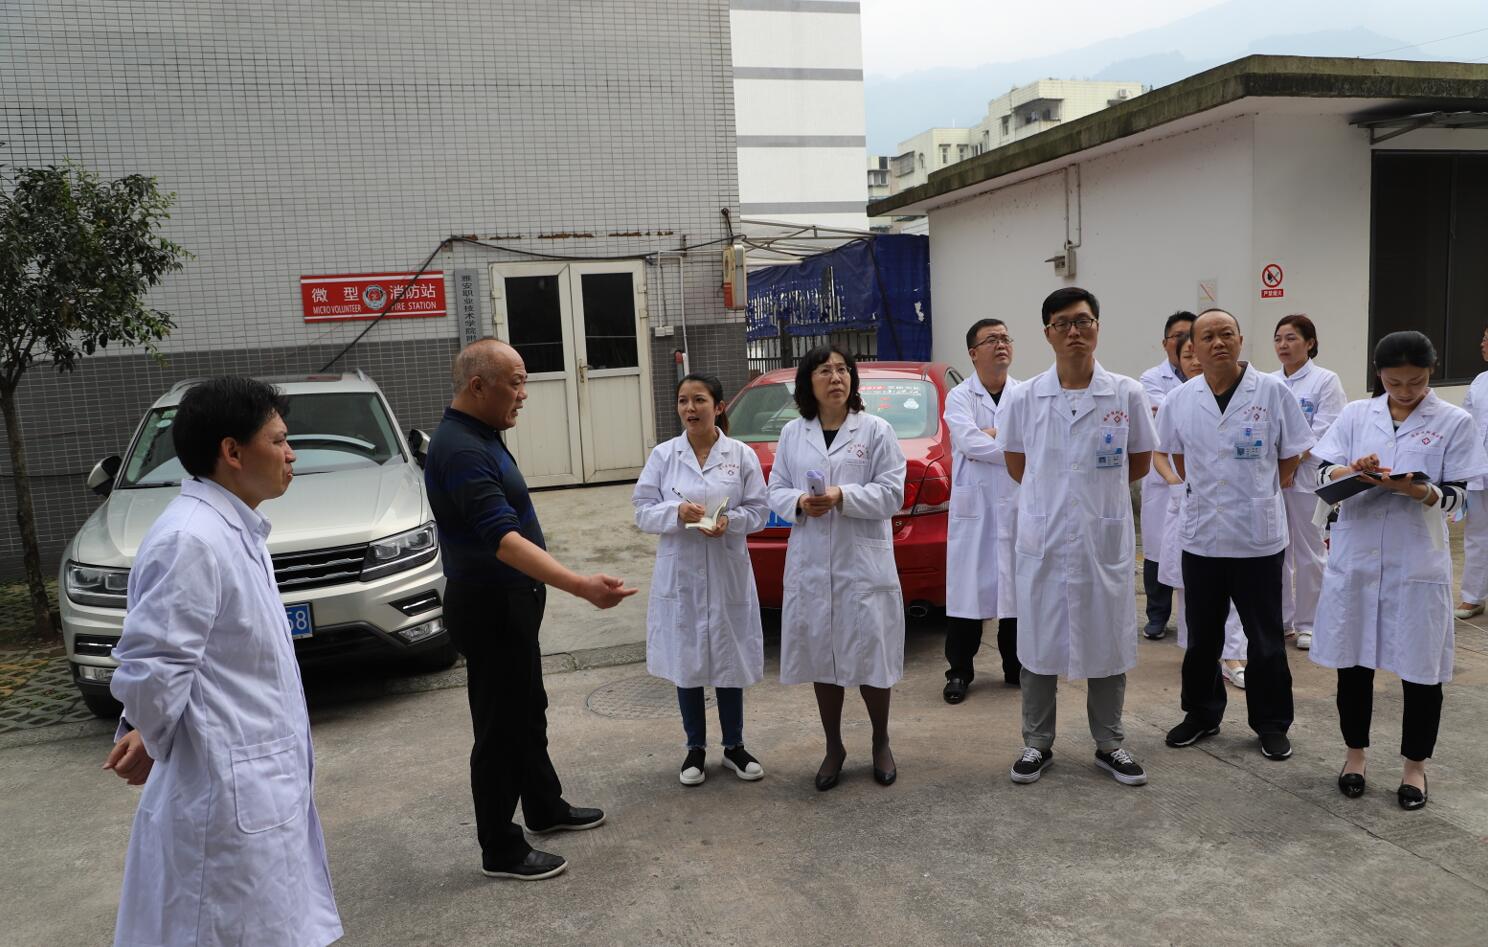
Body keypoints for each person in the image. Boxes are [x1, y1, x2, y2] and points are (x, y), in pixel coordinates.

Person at [104, 376, 343, 946]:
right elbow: (151, 669)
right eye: (279, 440)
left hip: (254, 782)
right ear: (232, 452)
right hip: (226, 794)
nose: (292, 454)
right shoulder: (190, 540)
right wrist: (150, 731)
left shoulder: (235, 528)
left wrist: (146, 728)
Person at [425, 338, 637, 881]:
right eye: (516, 383)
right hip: (490, 606)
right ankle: (500, 848)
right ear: (479, 386)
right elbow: (503, 540)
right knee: (499, 727)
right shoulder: (462, 449)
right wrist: (580, 585)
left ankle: (543, 805)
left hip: (511, 602)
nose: (524, 394)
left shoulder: (481, 434)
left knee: (526, 709)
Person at [1310, 331, 1488, 810]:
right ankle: (1354, 757)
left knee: (1421, 669)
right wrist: (1353, 469)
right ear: (1379, 374)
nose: (1406, 391)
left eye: (1417, 381)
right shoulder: (1355, 415)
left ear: (1431, 373)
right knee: (1354, 663)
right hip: (1358, 558)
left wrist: (1419, 491)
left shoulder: (1453, 421)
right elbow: (1321, 473)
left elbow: (1461, 498)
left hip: (1416, 560)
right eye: (1395, 382)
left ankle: (1414, 767)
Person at [1000, 287, 1157, 787]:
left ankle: (1110, 744)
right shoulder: (1024, 396)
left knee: (1107, 639)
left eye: (1084, 321)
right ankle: (1036, 743)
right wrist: (1055, 498)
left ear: (1097, 327)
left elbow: (1138, 461)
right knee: (1038, 642)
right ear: (1047, 333)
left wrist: (1090, 496)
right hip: (1045, 537)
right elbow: (1016, 463)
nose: (1075, 332)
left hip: (1101, 536)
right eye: (1063, 323)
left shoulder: (1126, 393)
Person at [1159, 309, 1314, 761]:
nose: (1218, 343)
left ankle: (1271, 723)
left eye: (1226, 334)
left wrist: (1259, 490)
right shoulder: (1180, 399)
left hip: (1257, 537)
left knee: (1265, 639)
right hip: (1202, 537)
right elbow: (1176, 455)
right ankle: (1201, 714)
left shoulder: (1272, 392)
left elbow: (1292, 454)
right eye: (1208, 336)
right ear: (1193, 347)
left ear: (1241, 339)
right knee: (1202, 638)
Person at [766, 345, 907, 791]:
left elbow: (893, 493)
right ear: (808, 381)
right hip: (812, 561)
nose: (836, 377)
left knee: (871, 656)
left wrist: (842, 495)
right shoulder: (793, 434)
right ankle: (834, 747)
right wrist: (800, 502)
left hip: (861, 563)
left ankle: (880, 742)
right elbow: (776, 488)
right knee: (821, 655)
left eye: (843, 369)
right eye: (825, 370)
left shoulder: (876, 430)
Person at [633, 373, 770, 785]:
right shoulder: (664, 456)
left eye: (699, 400)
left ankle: (734, 747)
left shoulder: (740, 455)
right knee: (687, 659)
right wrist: (676, 512)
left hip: (727, 568)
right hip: (682, 572)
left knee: (729, 657)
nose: (690, 409)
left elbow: (760, 511)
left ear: (719, 406)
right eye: (683, 401)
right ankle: (694, 749)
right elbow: (642, 511)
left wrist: (730, 521)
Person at [1154, 333, 1249, 689]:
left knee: (1235, 586)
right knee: (1192, 589)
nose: (1195, 360)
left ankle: (1233, 655)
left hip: (1239, 509)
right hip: (1192, 504)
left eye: (1198, 353)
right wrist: (1177, 484)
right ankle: (1199, 655)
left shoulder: (1251, 393)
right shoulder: (1177, 400)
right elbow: (1161, 451)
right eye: (1187, 355)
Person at [942, 318, 1022, 703]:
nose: (1001, 344)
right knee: (967, 595)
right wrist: (1007, 443)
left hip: (1016, 504)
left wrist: (990, 437)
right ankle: (959, 672)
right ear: (974, 353)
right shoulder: (959, 397)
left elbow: (1031, 442)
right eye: (992, 339)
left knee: (1016, 593)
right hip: (974, 509)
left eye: (1005, 338)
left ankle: (1016, 667)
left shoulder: (1024, 394)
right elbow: (969, 443)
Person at [1272, 314, 1347, 650]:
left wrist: (1290, 464)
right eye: (1278, 339)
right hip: (1274, 478)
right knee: (1277, 551)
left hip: (1306, 479)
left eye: (1291, 338)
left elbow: (1325, 430)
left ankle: (1309, 623)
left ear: (1310, 343)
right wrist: (1278, 467)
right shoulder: (1270, 382)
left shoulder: (1325, 381)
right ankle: (1281, 620)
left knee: (1310, 551)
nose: (1283, 345)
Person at [1137, 311, 1196, 640]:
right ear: (1166, 343)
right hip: (1163, 478)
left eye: (1191, 335)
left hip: (1197, 477)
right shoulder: (1150, 378)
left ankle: (1193, 618)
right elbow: (1164, 412)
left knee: (1192, 550)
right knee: (1157, 548)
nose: (1184, 342)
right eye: (1178, 336)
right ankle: (1157, 616)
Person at [1455, 326, 1488, 620]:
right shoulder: (1480, 381)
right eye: (1484, 339)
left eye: (1487, 340)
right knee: (1477, 534)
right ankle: (1473, 597)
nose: (1482, 344)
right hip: (1480, 469)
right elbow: (1465, 423)